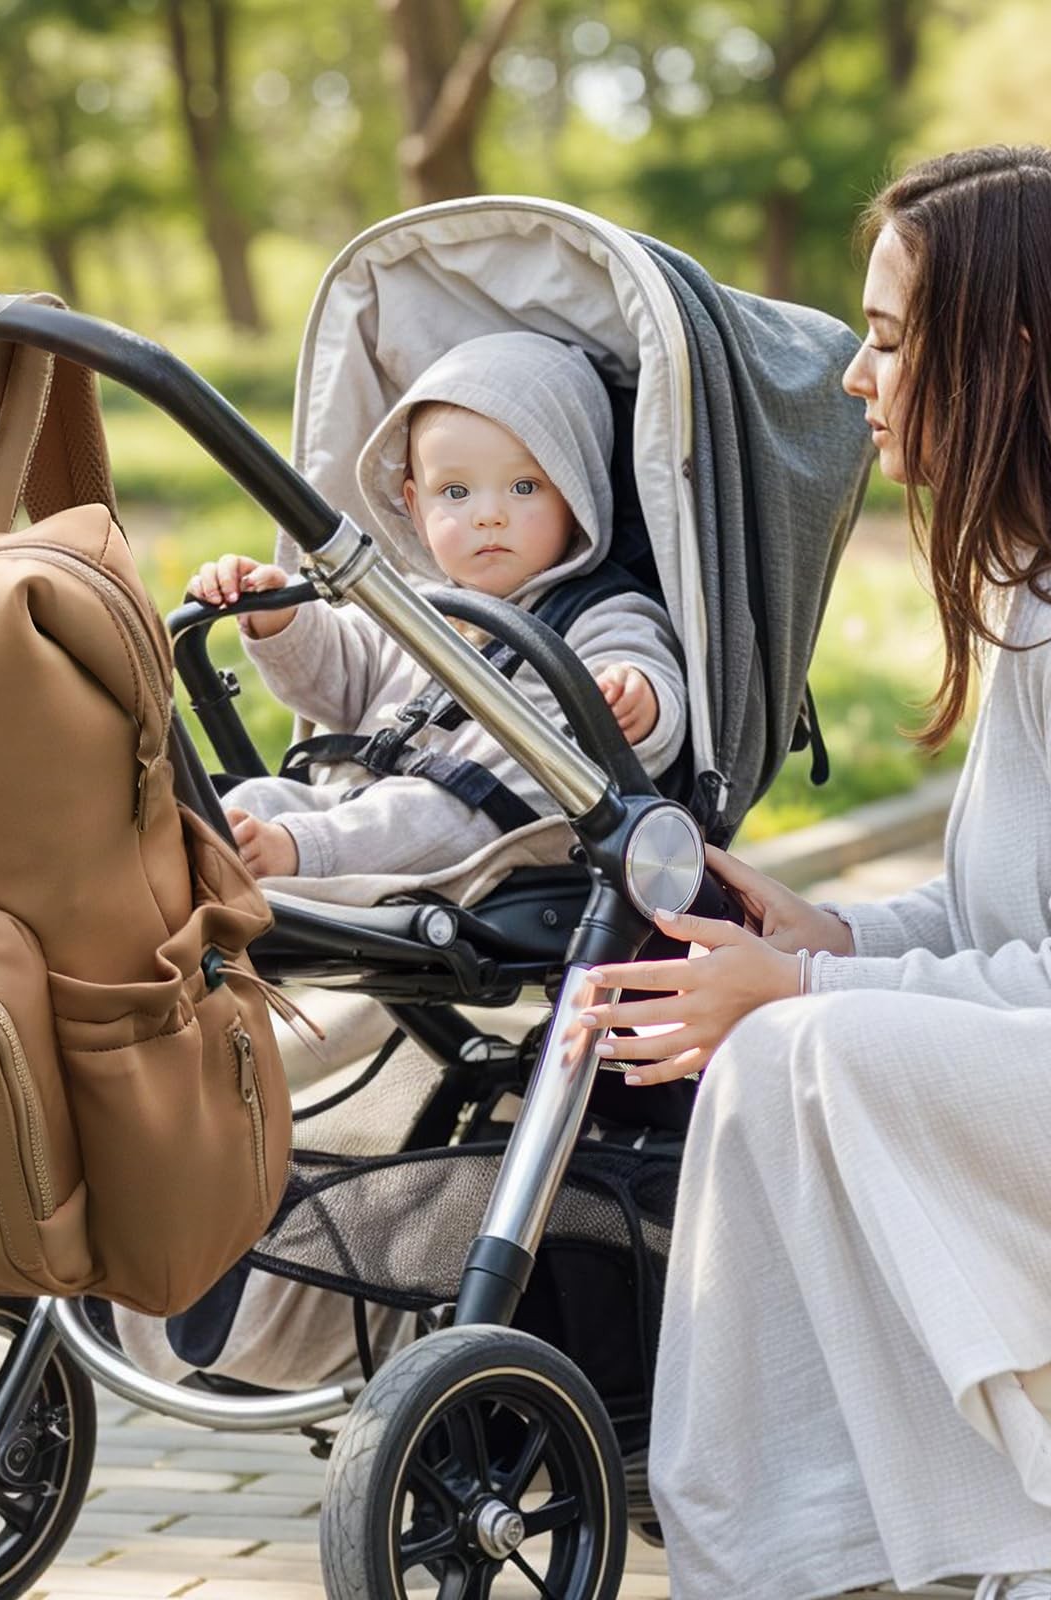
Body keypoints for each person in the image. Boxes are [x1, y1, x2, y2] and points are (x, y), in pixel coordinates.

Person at [577, 146, 1051, 1600]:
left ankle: (894, 1541)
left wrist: (806, 989)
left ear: (1005, 354)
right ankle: (785, 1552)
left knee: (806, 1046)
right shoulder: (1029, 593)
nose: (857, 376)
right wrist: (827, 931)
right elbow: (995, 919)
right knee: (775, 1049)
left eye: (891, 339)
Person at [186, 329, 687, 882]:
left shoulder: (601, 610)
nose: (489, 515)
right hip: (355, 804)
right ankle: (189, 870)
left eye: (523, 487)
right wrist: (278, 618)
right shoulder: (410, 604)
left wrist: (640, 698)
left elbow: (641, 666)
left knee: (415, 810)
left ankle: (294, 853)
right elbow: (334, 677)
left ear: (577, 495)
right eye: (455, 492)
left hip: (489, 833)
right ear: (415, 508)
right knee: (254, 798)